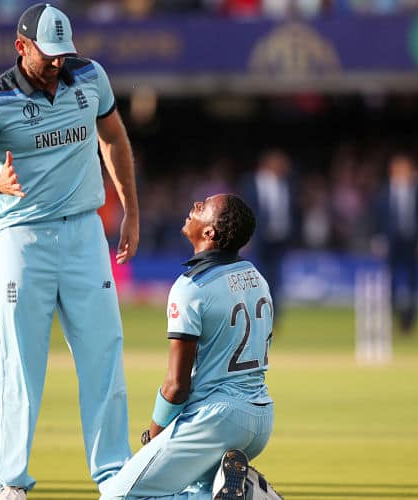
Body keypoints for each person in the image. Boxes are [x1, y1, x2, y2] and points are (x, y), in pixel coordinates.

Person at [0, 4, 139, 499]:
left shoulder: (90, 77)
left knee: (105, 354)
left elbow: (114, 138)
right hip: (24, 240)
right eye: (48, 55)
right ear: (21, 46)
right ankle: (11, 482)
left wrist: (131, 211)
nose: (58, 64)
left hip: (84, 235)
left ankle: (114, 476)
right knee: (20, 363)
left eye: (64, 54)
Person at [100, 194, 281, 500]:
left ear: (210, 233)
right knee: (197, 492)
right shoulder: (257, 278)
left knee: (117, 496)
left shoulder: (192, 287)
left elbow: (176, 385)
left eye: (204, 206)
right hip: (261, 417)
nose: (196, 205)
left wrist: (156, 432)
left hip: (216, 419)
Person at [373, 153, 418, 334]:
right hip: (392, 241)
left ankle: (410, 322)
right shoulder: (384, 191)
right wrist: (379, 238)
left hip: (413, 241)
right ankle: (393, 317)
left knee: (413, 282)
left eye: (405, 168)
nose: (402, 172)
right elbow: (378, 218)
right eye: (398, 168)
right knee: (391, 281)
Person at [240, 149, 298, 319]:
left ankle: (273, 315)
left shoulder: (287, 184)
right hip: (259, 238)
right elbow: (246, 210)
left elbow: (291, 211)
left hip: (280, 238)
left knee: (275, 278)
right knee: (258, 276)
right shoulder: (252, 183)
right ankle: (256, 312)